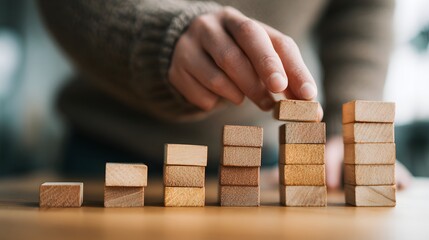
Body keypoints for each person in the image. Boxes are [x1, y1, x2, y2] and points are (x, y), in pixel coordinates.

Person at [38, 0, 411, 189]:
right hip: (106, 149)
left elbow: (361, 7)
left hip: (262, 167)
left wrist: (352, 119)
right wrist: (161, 38)